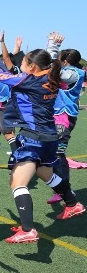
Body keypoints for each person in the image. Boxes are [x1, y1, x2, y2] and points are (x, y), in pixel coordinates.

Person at [0, 33, 84, 243]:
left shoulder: (28, 81)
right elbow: (52, 63)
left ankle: (28, 229)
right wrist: (52, 46)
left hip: (34, 139)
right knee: (47, 174)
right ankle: (73, 204)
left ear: (33, 67)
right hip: (49, 138)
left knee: (17, 182)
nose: (23, 66)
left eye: (26, 63)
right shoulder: (53, 79)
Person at [47, 37, 85, 205]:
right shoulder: (70, 71)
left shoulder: (75, 73)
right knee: (52, 153)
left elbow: (54, 70)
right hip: (57, 115)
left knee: (58, 153)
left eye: (60, 59)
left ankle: (65, 190)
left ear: (66, 61)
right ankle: (61, 189)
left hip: (64, 116)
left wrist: (53, 46)